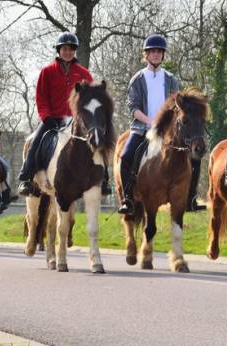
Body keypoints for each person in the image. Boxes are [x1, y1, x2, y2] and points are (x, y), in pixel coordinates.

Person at [18, 32, 111, 196]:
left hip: (76, 121)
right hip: (52, 118)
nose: (67, 52)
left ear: (74, 51)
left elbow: (91, 98)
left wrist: (86, 118)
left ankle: (104, 181)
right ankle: (26, 178)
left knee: (98, 140)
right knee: (35, 142)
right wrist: (46, 117)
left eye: (71, 49)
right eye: (64, 49)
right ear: (59, 50)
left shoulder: (83, 73)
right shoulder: (47, 72)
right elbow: (41, 97)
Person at [118, 34, 180, 215]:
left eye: (159, 52)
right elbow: (133, 108)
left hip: (167, 131)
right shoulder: (137, 79)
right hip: (141, 129)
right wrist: (150, 121)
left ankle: (189, 196)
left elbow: (177, 105)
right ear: (146, 55)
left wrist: (166, 124)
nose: (156, 55)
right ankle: (127, 199)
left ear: (163, 55)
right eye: (152, 52)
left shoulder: (170, 79)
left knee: (189, 154)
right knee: (126, 157)